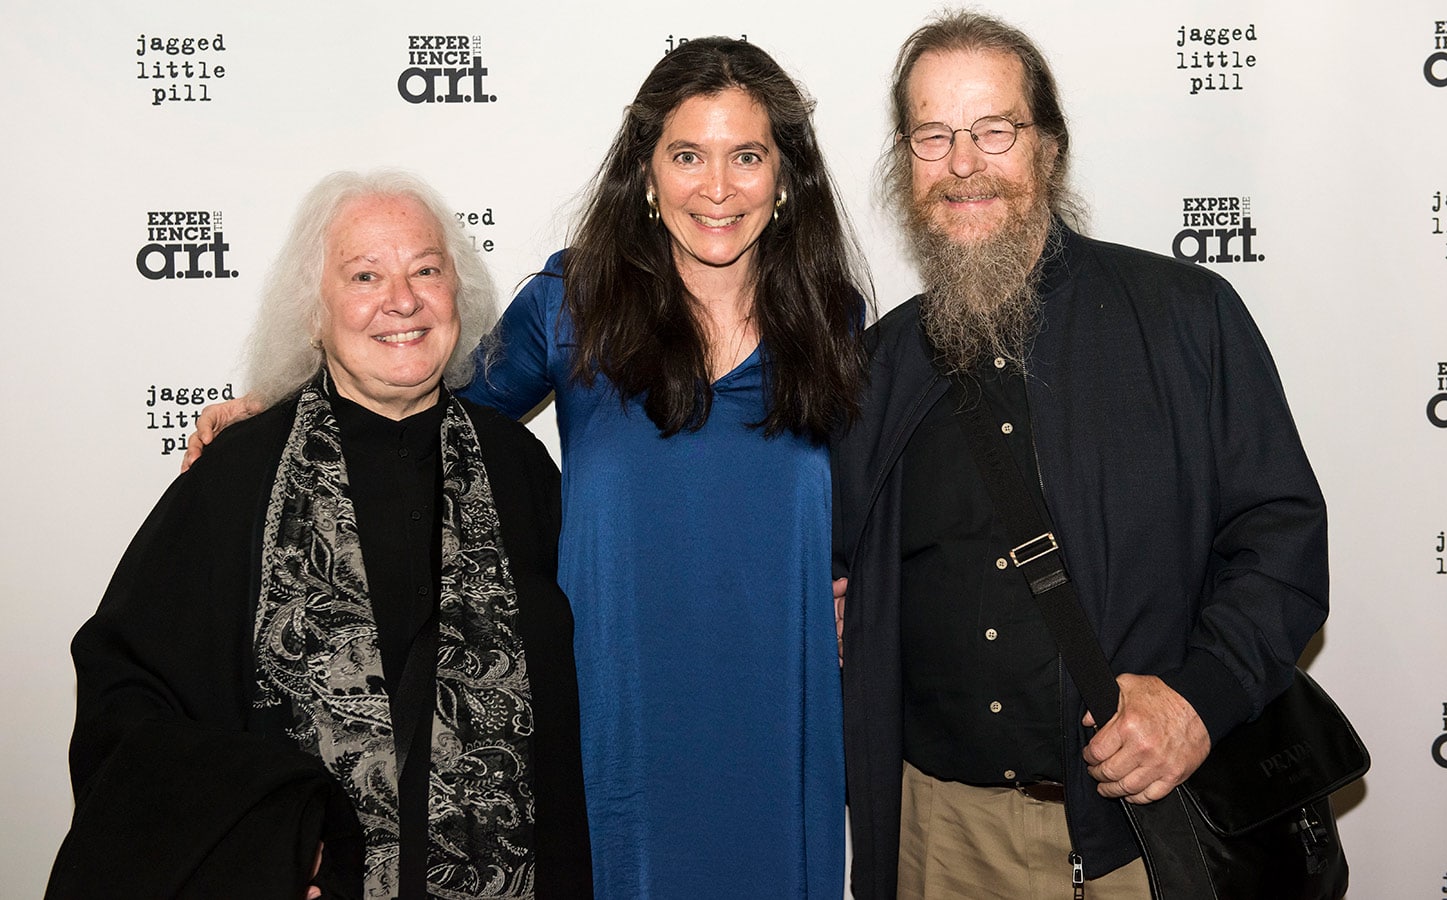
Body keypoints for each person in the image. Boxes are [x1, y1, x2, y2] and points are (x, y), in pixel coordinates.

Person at [184, 38, 867, 899]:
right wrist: (274, 420)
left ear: (785, 176)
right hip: (616, 718)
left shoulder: (831, 318)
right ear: (648, 174)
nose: (718, 187)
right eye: (688, 155)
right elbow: (414, 403)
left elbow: (867, 499)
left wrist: (852, 584)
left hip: (779, 716)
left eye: (748, 156)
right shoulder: (572, 307)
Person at [833, 11, 1330, 900]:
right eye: (932, 136)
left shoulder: (1187, 318)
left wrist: (1197, 700)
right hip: (940, 840)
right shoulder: (879, 368)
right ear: (905, 163)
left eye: (994, 130)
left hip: (1139, 835)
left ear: (1049, 148)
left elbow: (1283, 543)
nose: (963, 164)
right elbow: (833, 566)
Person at [49, 170, 592, 900]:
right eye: (365, 275)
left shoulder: (518, 468)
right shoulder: (239, 476)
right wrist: (255, 857)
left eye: (426, 270)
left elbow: (590, 700)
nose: (402, 300)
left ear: (456, 294)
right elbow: (126, 704)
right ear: (314, 312)